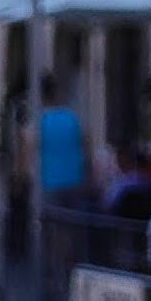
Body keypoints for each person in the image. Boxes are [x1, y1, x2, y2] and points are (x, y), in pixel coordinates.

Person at [35, 74, 86, 205]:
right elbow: (85, 145)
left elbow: (30, 151)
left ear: (41, 96)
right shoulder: (72, 117)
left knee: (53, 215)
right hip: (74, 180)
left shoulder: (41, 121)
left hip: (51, 183)